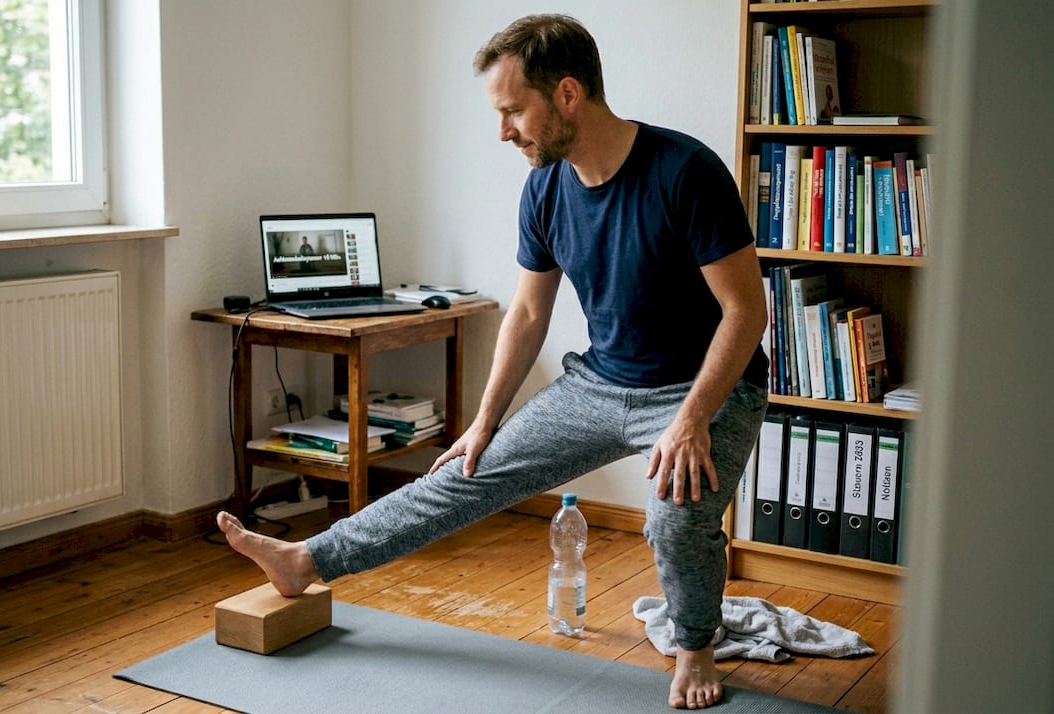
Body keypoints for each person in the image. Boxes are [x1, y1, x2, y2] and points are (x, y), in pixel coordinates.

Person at [218, 13, 768, 710]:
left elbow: (746, 312)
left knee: (673, 516)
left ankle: (695, 648)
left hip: (706, 388)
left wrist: (691, 420)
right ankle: (305, 560)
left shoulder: (684, 171)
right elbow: (530, 314)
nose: (503, 130)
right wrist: (483, 422)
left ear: (567, 94)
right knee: (464, 470)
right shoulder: (544, 188)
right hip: (602, 382)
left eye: (512, 110)